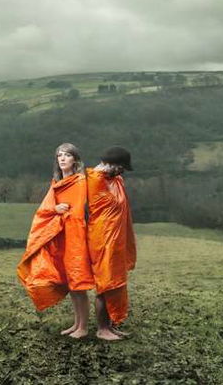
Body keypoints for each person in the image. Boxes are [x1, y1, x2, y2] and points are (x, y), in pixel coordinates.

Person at [17, 143, 94, 339]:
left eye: (67, 155)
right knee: (69, 282)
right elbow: (45, 209)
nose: (62, 159)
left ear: (75, 160)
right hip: (60, 237)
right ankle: (76, 324)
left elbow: (86, 210)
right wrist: (55, 209)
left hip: (76, 235)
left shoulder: (81, 181)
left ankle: (83, 327)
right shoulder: (57, 182)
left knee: (78, 282)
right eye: (59, 155)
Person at [86, 146, 137, 341]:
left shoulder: (115, 180)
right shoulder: (94, 180)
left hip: (116, 242)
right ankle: (102, 329)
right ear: (111, 164)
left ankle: (111, 325)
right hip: (102, 241)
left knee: (115, 283)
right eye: (121, 167)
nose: (123, 171)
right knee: (105, 284)